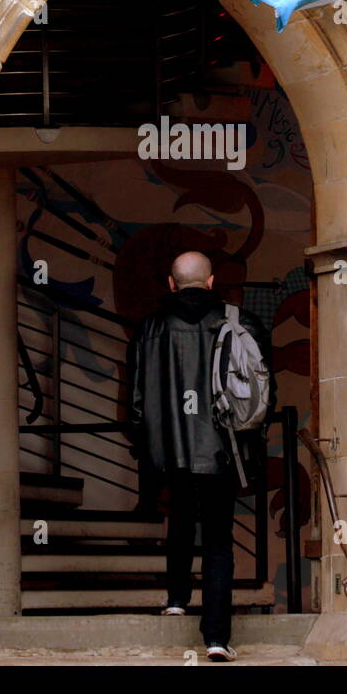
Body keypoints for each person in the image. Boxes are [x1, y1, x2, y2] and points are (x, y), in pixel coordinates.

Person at [127, 250, 274, 662]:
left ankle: (176, 597)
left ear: (171, 284)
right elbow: (264, 391)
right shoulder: (240, 322)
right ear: (211, 282)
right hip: (223, 448)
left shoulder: (150, 327)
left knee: (179, 518)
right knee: (217, 542)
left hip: (169, 450)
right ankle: (215, 638)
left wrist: (145, 447)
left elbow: (136, 399)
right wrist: (250, 441)